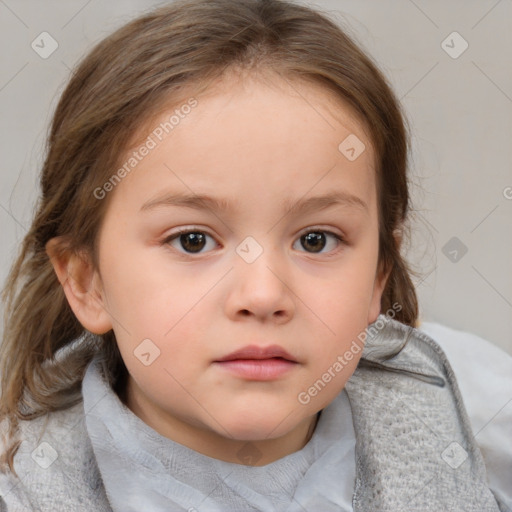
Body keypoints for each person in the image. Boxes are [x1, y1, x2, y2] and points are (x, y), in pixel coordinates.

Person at [0, 0, 510, 510]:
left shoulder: (479, 413)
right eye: (192, 240)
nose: (263, 295)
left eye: (316, 240)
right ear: (87, 282)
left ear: (379, 273)